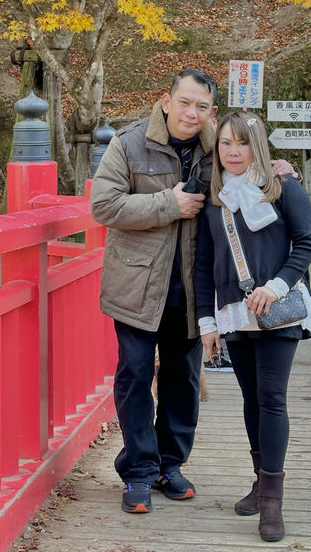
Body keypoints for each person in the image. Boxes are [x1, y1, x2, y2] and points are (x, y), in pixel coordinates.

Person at [90, 68, 218, 513]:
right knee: (136, 376)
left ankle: (170, 463)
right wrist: (170, 204)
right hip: (137, 284)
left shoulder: (215, 145)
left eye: (201, 106)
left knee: (182, 379)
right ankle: (139, 470)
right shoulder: (129, 143)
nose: (191, 112)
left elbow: (251, 168)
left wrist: (282, 169)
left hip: (190, 287)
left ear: (211, 112)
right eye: (184, 102)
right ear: (166, 102)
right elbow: (104, 205)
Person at [194, 111, 311, 543]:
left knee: (271, 397)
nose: (233, 152)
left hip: (278, 307)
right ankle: (259, 480)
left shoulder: (284, 188)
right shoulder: (215, 198)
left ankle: (272, 501)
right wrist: (206, 322)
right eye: (225, 143)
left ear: (257, 145)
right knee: (251, 398)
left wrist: (276, 286)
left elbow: (306, 244)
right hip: (233, 312)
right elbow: (204, 264)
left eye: (242, 143)